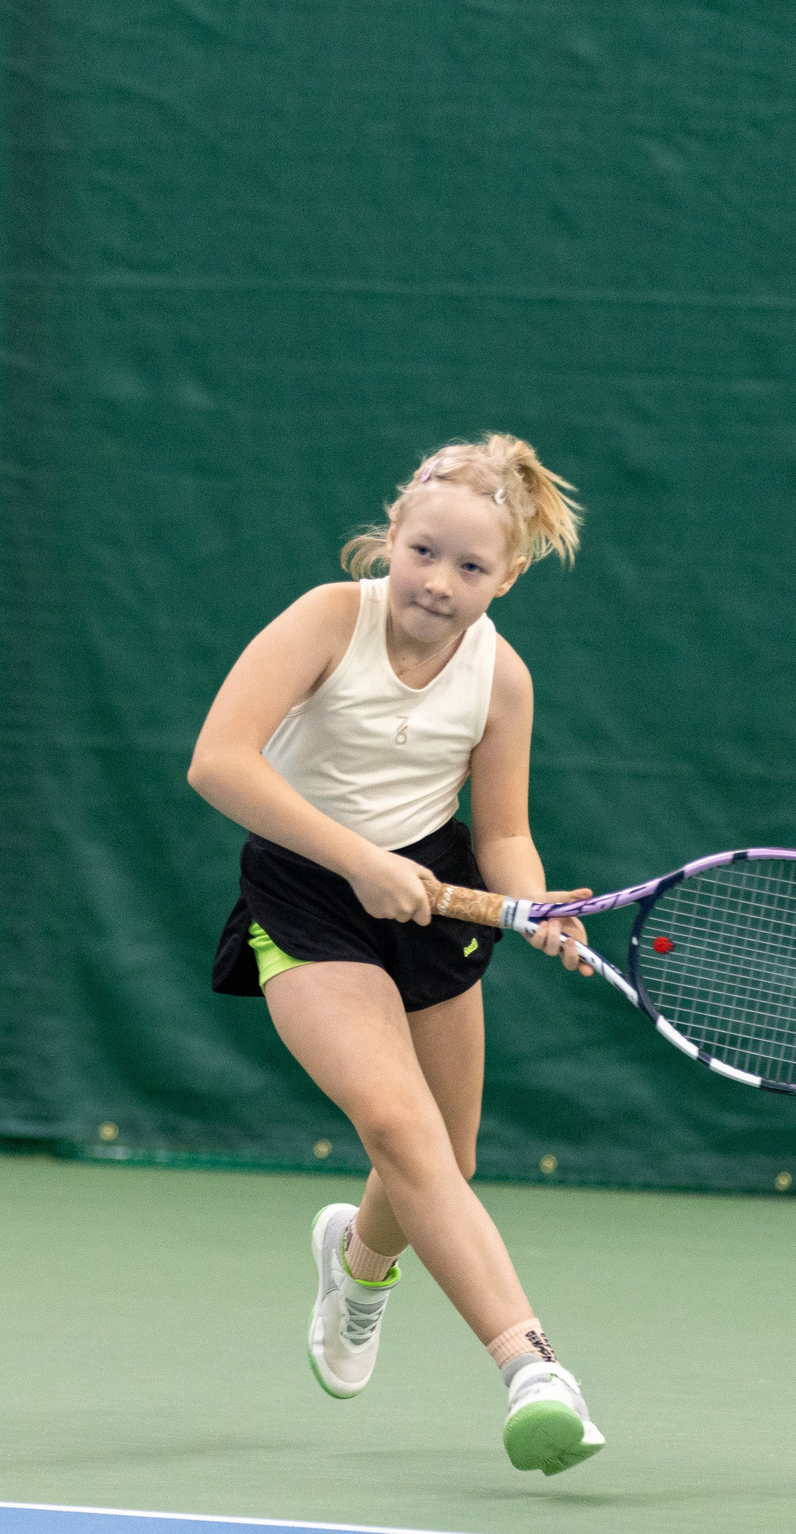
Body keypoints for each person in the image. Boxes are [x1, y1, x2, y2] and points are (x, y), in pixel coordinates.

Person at [186, 434, 605, 1475]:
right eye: (422, 552)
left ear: (507, 577)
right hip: (306, 891)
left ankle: (358, 1260)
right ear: (389, 539)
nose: (438, 581)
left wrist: (536, 900)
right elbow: (217, 762)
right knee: (396, 1124)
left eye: (470, 567)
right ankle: (534, 1367)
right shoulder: (328, 620)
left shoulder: (502, 678)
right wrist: (353, 859)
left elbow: (502, 832)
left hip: (431, 895)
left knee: (441, 1164)